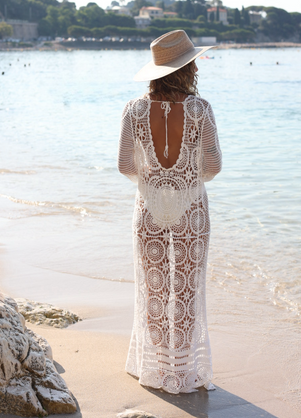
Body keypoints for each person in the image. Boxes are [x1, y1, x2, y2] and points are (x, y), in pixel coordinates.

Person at [118, 30, 222, 394]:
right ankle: (183, 370)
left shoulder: (134, 110)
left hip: (148, 212)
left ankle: (160, 368)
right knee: (187, 290)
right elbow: (214, 165)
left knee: (155, 289)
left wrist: (154, 182)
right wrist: (187, 181)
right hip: (192, 211)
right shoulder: (200, 109)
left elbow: (124, 166)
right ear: (187, 67)